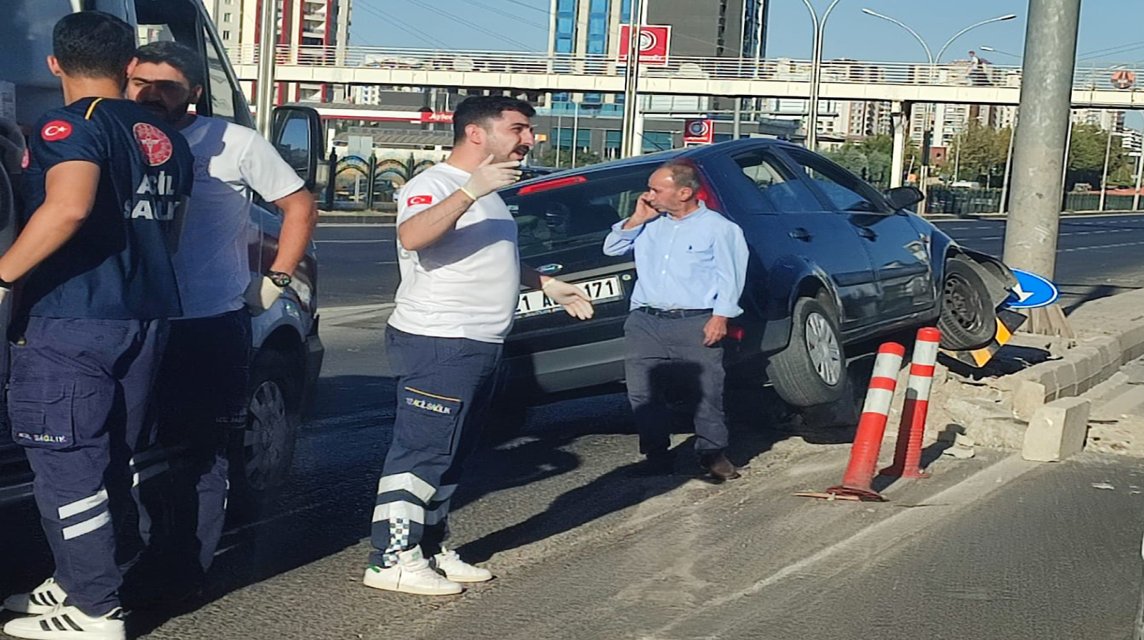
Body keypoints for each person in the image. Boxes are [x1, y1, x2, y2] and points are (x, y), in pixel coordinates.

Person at [0, 12, 193, 640]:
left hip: (72, 315)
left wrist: (3, 276)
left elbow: (68, 208)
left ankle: (94, 608)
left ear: (55, 63)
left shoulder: (70, 125)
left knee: (66, 464)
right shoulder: (161, 133)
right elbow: (171, 231)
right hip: (143, 313)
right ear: (130, 65)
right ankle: (78, 578)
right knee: (110, 459)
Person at [364, 95, 595, 596]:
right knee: (422, 452)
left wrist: (547, 284)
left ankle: (430, 548)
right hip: (440, 340)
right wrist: (469, 191)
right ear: (476, 133)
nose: (529, 139)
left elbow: (488, 255)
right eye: (518, 129)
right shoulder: (435, 184)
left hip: (481, 342)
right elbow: (413, 235)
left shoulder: (488, 190)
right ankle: (391, 559)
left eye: (528, 130)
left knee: (454, 451)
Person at [124, 41, 316, 590]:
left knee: (199, 453)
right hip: (131, 319)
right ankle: (126, 559)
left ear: (194, 93)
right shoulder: (114, 135)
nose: (151, 95)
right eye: (140, 83)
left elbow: (299, 205)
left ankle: (180, 571)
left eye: (167, 87)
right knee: (128, 450)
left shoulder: (233, 142)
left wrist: (277, 279)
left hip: (206, 323)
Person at [602, 161, 749, 481]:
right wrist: (637, 219)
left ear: (684, 193)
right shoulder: (649, 223)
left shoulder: (719, 228)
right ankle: (656, 456)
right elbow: (612, 248)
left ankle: (712, 454)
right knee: (643, 393)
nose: (648, 195)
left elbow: (731, 276)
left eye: (656, 189)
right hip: (646, 321)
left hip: (694, 321)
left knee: (706, 391)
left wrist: (720, 317)